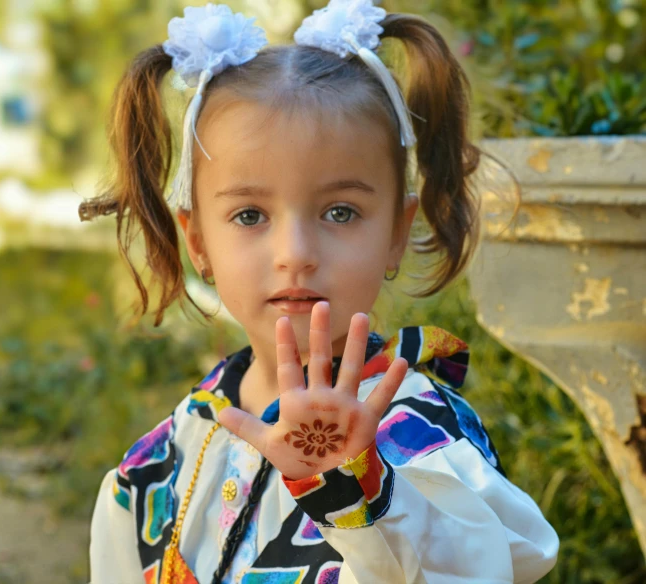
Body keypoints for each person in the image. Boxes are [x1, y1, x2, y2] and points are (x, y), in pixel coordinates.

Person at [81, 1, 559, 583]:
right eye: (250, 215)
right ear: (198, 241)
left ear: (396, 234)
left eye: (340, 211)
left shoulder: (420, 433)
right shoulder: (169, 452)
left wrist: (356, 490)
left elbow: (493, 564)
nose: (296, 252)